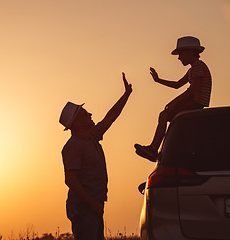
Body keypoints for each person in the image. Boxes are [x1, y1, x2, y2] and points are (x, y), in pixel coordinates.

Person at [59, 73, 132, 240]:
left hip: (93, 205)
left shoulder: (91, 136)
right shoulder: (73, 147)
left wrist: (126, 95)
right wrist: (92, 204)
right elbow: (70, 180)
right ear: (76, 123)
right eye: (85, 114)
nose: (90, 114)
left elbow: (110, 117)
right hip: (84, 207)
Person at [135, 36, 212, 162]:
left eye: (180, 54)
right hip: (194, 102)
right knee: (169, 118)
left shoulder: (198, 66)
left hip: (196, 102)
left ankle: (153, 149)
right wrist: (158, 80)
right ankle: (157, 148)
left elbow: (193, 89)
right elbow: (177, 84)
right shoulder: (193, 69)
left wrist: (174, 102)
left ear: (189, 52)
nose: (179, 57)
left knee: (164, 115)